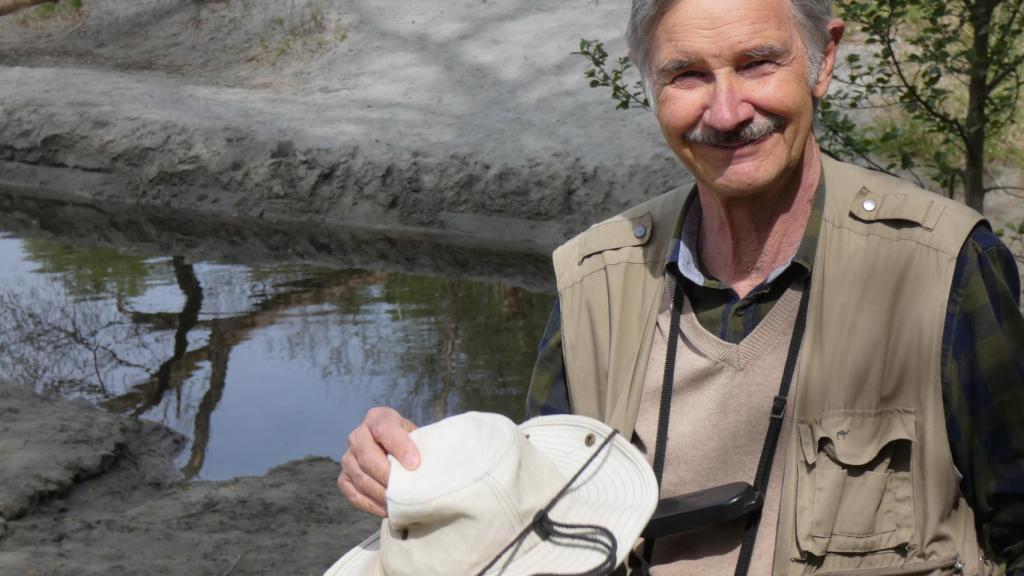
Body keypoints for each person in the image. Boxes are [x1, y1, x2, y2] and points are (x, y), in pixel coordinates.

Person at [339, 0, 1024, 574]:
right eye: (687, 74)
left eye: (757, 63)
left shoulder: (943, 268)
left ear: (824, 60)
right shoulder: (594, 280)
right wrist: (418, 470)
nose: (726, 112)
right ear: (648, 84)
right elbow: (532, 529)